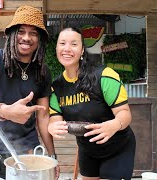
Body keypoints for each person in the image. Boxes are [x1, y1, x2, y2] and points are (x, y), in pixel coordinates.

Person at [0, 5, 59, 179]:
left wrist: (52, 156)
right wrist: (5, 111)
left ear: (39, 39)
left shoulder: (43, 71)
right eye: (21, 31)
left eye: (33, 33)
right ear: (11, 34)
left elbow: (43, 117)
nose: (26, 38)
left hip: (28, 151)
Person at [48, 27, 136, 180]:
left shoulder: (105, 76)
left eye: (74, 44)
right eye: (62, 43)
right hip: (87, 149)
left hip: (117, 147)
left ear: (82, 50)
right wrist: (52, 126)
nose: (67, 48)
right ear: (57, 48)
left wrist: (113, 125)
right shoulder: (56, 87)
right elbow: (55, 117)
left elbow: (125, 113)